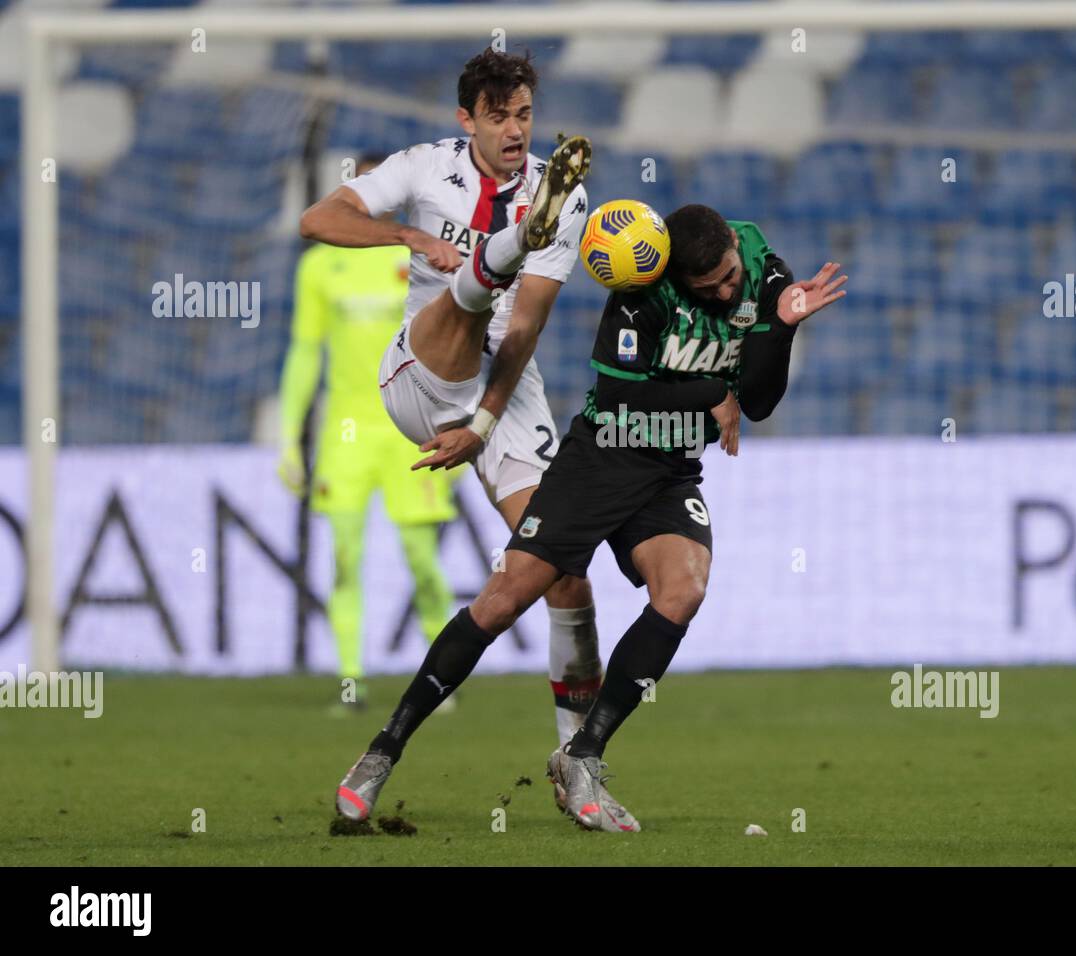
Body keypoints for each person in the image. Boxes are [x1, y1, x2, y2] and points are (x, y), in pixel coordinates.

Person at [334, 204, 848, 832]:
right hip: (602, 457)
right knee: (504, 599)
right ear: (676, 278)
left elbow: (760, 404)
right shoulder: (640, 290)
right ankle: (382, 751)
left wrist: (784, 327)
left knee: (683, 589)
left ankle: (582, 756)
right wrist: (711, 391)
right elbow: (623, 392)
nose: (724, 290)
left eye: (728, 276)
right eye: (707, 286)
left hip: (670, 472)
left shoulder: (766, 277)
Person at [299, 48, 623, 811]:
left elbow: (529, 330)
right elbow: (319, 218)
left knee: (557, 572)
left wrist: (485, 421)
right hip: (421, 372)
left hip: (502, 392)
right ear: (466, 119)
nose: (515, 130)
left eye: (525, 116)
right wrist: (408, 240)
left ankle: (568, 763)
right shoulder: (421, 167)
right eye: (499, 116)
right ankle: (499, 254)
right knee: (467, 298)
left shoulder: (563, 194)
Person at [279, 154, 461, 711]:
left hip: (412, 426)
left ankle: (440, 680)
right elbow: (307, 351)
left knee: (422, 559)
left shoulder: (425, 259)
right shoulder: (319, 267)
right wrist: (289, 436)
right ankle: (350, 681)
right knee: (344, 557)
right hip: (346, 433)